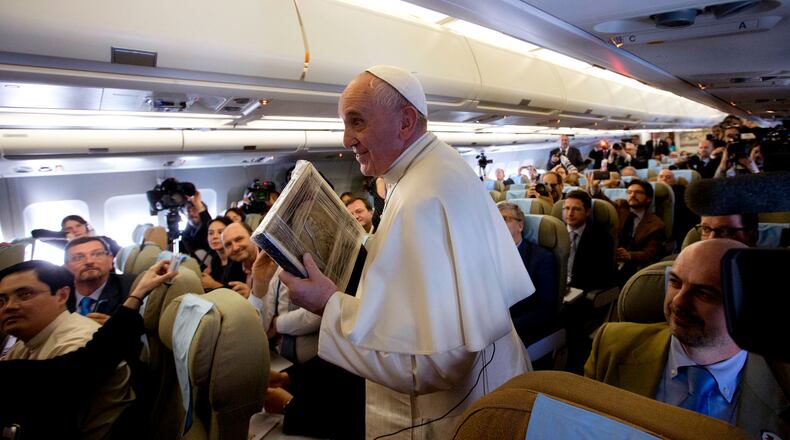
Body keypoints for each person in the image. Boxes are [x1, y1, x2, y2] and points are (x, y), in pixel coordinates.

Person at [276, 65, 533, 439]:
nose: (347, 139)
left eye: (357, 122)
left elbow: (431, 364)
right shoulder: (433, 167)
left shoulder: (421, 198)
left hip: (453, 415)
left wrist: (328, 304)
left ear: (405, 121)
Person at [584, 239, 790, 438]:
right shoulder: (612, 345)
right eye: (675, 282)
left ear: (748, 308)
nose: (678, 301)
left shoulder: (782, 385)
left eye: (704, 293)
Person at [0, 259, 176, 440]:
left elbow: (83, 366)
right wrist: (135, 297)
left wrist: (135, 297)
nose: (9, 306)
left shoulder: (74, 342)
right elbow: (80, 367)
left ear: (61, 296)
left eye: (25, 294)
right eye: (1, 301)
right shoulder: (27, 341)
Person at [497, 203, 557, 347]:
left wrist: (507, 329)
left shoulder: (542, 258)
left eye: (504, 218)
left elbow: (546, 308)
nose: (497, 223)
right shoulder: (490, 255)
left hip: (518, 331)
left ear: (520, 226)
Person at [64, 236, 136, 324]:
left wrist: (117, 327)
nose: (89, 261)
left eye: (97, 254)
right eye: (78, 257)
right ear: (67, 267)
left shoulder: (132, 287)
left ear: (110, 260)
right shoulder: (58, 294)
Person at [562, 190, 615, 291]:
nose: (570, 214)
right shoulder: (555, 233)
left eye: (576, 209)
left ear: (587, 212)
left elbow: (602, 275)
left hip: (583, 290)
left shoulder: (602, 238)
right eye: (567, 208)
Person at [200, 217, 246, 292]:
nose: (214, 237)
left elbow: (239, 292)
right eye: (210, 233)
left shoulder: (238, 259)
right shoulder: (215, 259)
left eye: (220, 232)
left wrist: (214, 285)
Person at [220, 222, 257, 299]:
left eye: (239, 239)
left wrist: (253, 297)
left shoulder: (273, 262)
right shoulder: (230, 272)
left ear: (253, 236)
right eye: (228, 245)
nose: (235, 248)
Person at [179, 190, 212, 267]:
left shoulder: (208, 227)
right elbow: (185, 237)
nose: (191, 214)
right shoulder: (190, 229)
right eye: (188, 211)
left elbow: (206, 224)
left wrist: (199, 205)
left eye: (194, 210)